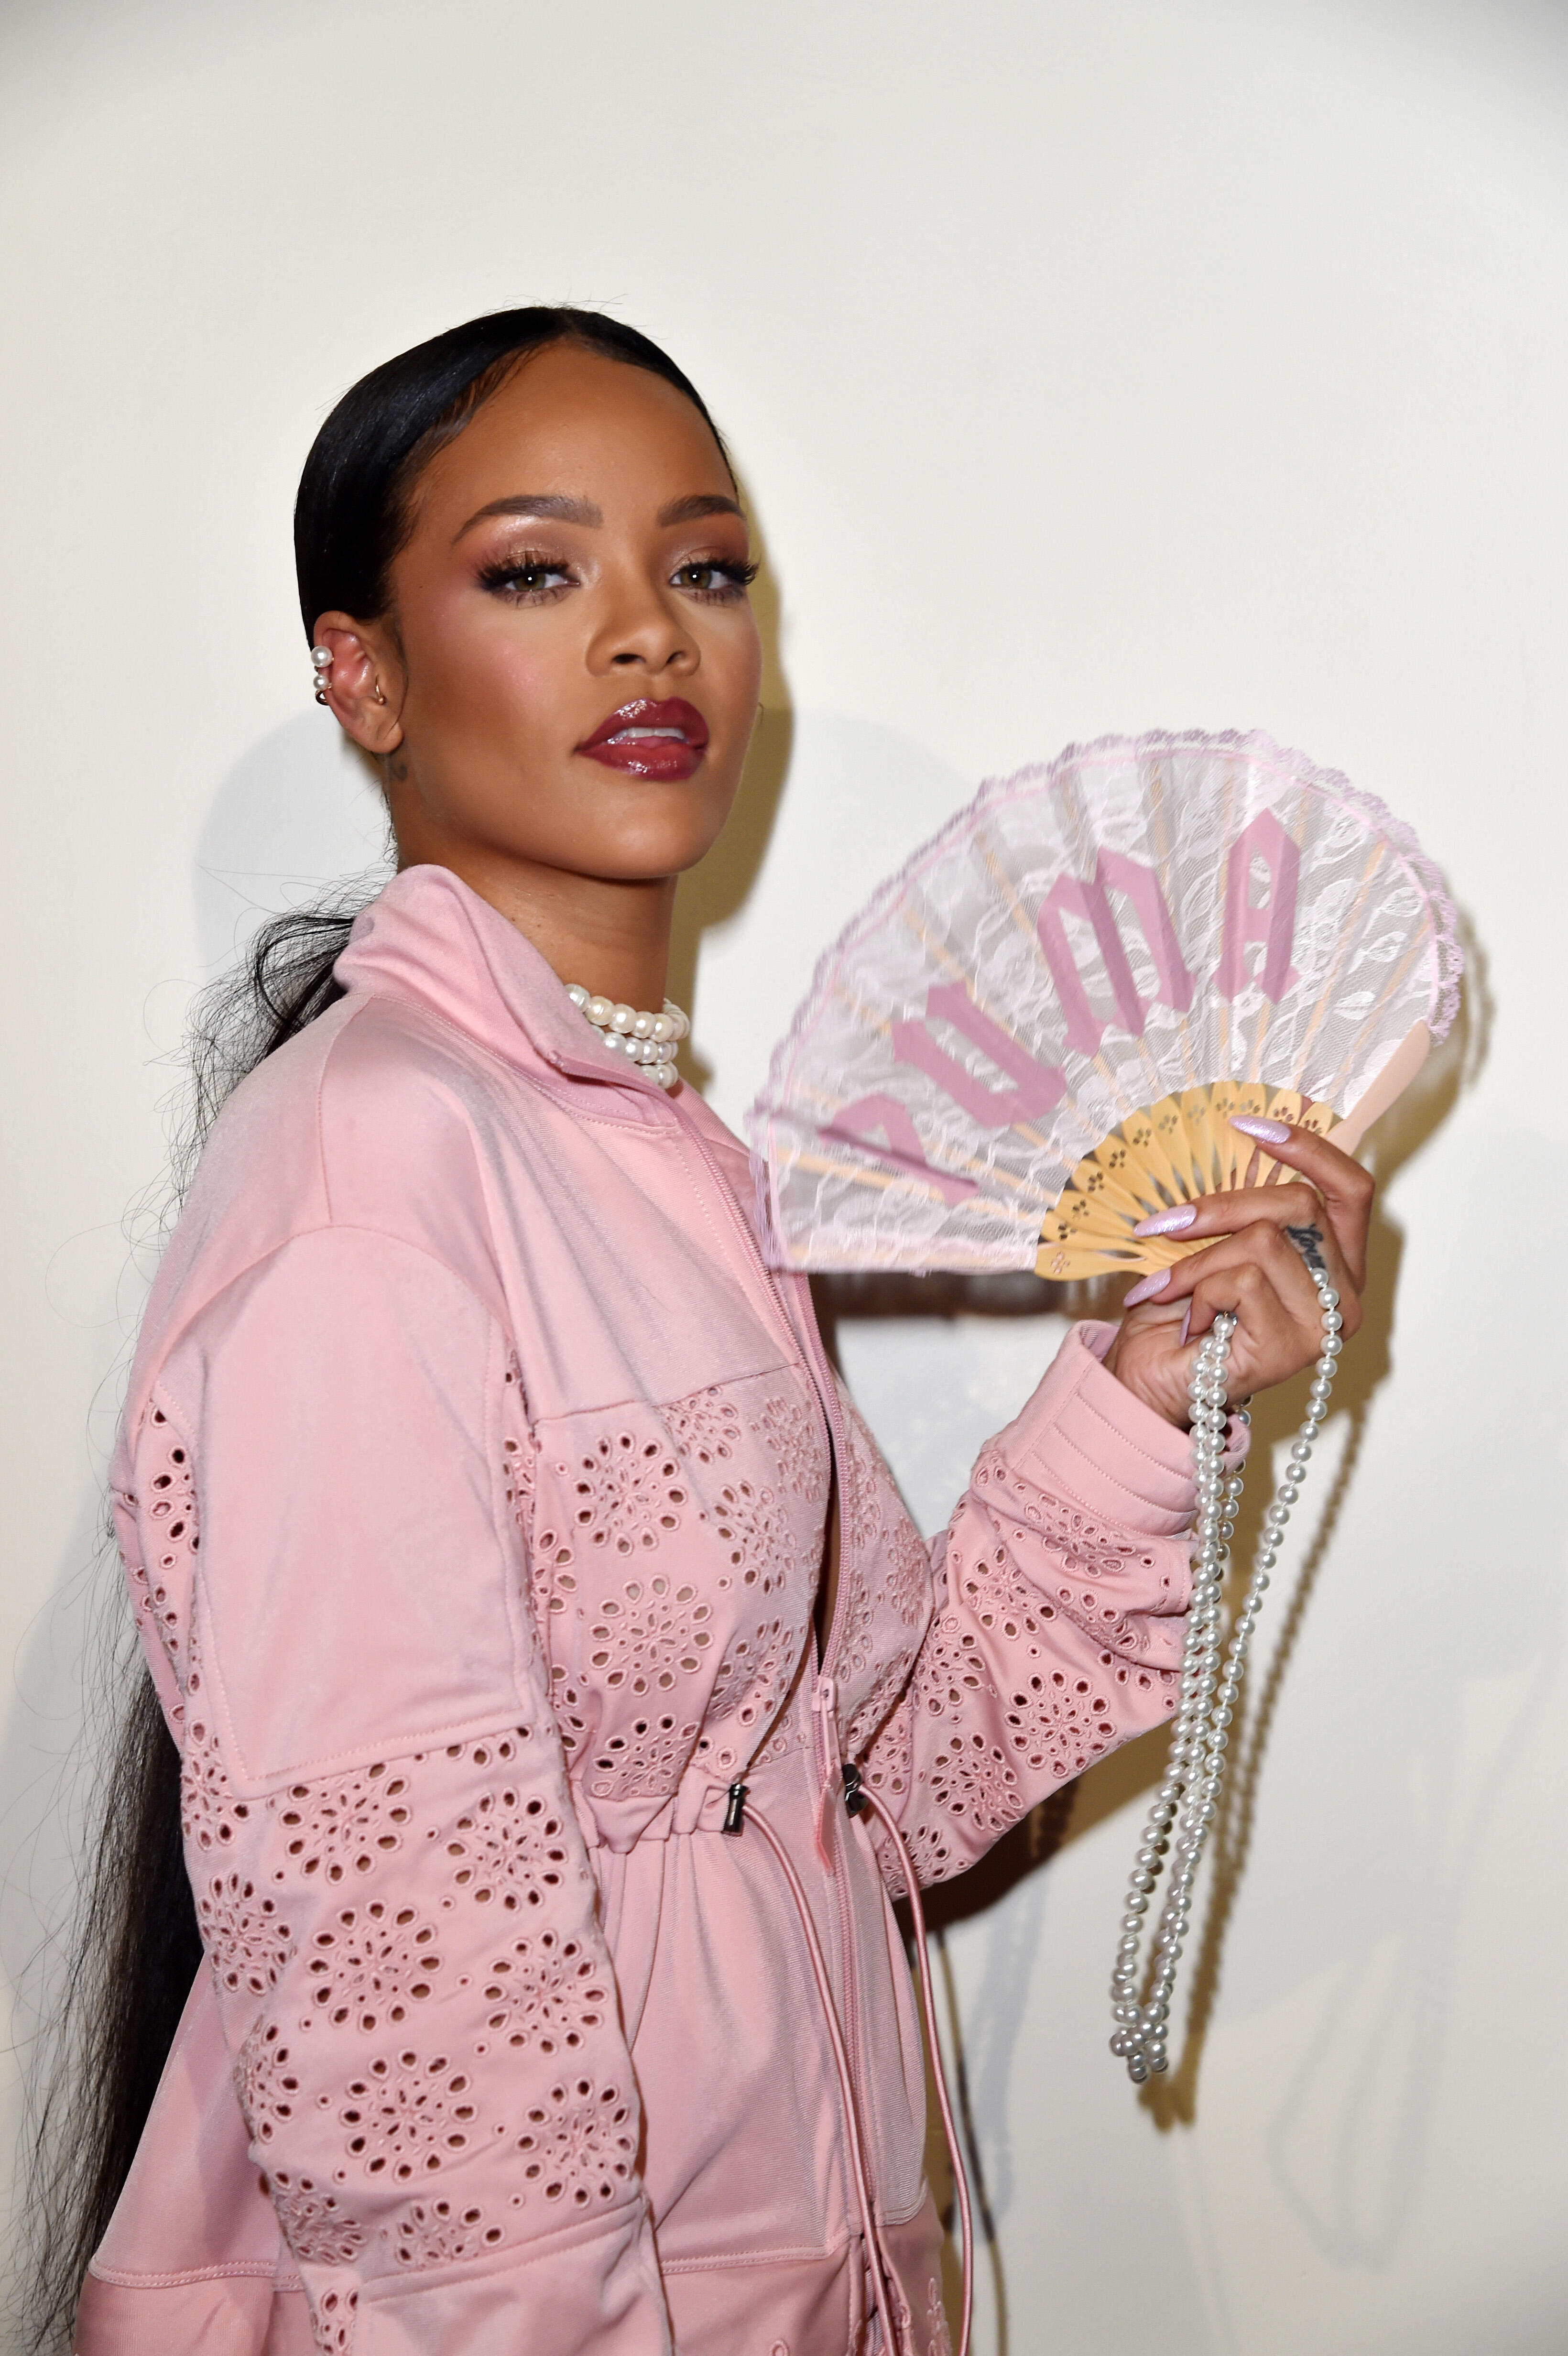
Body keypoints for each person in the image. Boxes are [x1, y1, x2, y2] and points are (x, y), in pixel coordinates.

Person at [60, 308, 1373, 2356]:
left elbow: (874, 1791)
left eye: (704, 567)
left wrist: (1138, 1388)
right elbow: (410, 1974)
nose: (649, 636)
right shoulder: (371, 1171)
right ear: (362, 670)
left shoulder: (670, 1164)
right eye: (532, 570)